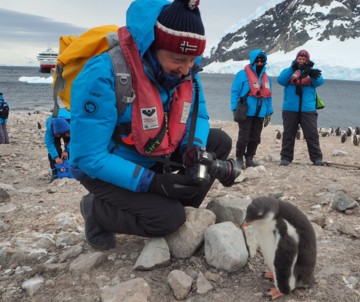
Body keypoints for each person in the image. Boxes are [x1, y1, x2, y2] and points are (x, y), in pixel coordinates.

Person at [70, 0, 239, 250]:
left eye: (192, 60)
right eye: (179, 59)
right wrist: (150, 183)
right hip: (102, 169)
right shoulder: (104, 74)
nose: (185, 69)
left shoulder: (187, 73)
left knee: (218, 142)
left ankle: (176, 205)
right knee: (168, 219)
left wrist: (193, 148)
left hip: (154, 152)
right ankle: (95, 210)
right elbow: (89, 156)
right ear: (152, 46)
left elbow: (199, 117)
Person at [277, 50, 324, 166]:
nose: (302, 60)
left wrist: (311, 73)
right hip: (290, 108)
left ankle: (316, 158)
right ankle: (286, 158)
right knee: (289, 134)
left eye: (304, 59)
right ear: (296, 59)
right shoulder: (289, 70)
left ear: (307, 60)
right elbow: (281, 80)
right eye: (300, 58)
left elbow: (319, 82)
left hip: (308, 109)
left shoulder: (312, 71)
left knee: (312, 134)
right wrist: (292, 69)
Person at [230, 50, 273, 169]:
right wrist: (234, 108)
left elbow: (268, 97)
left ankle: (249, 158)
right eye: (257, 60)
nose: (259, 63)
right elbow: (235, 92)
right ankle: (239, 158)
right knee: (244, 136)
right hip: (246, 111)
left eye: (262, 60)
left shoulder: (267, 78)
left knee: (255, 137)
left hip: (260, 112)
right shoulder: (242, 75)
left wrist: (269, 112)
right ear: (253, 60)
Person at [44, 108, 71, 181]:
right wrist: (56, 157)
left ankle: (72, 169)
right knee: (56, 148)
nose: (59, 136)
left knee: (71, 149)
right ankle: (55, 171)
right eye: (58, 135)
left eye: (60, 135)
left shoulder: (72, 123)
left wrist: (66, 150)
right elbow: (49, 143)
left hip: (67, 126)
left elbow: (75, 140)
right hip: (54, 127)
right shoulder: (50, 127)